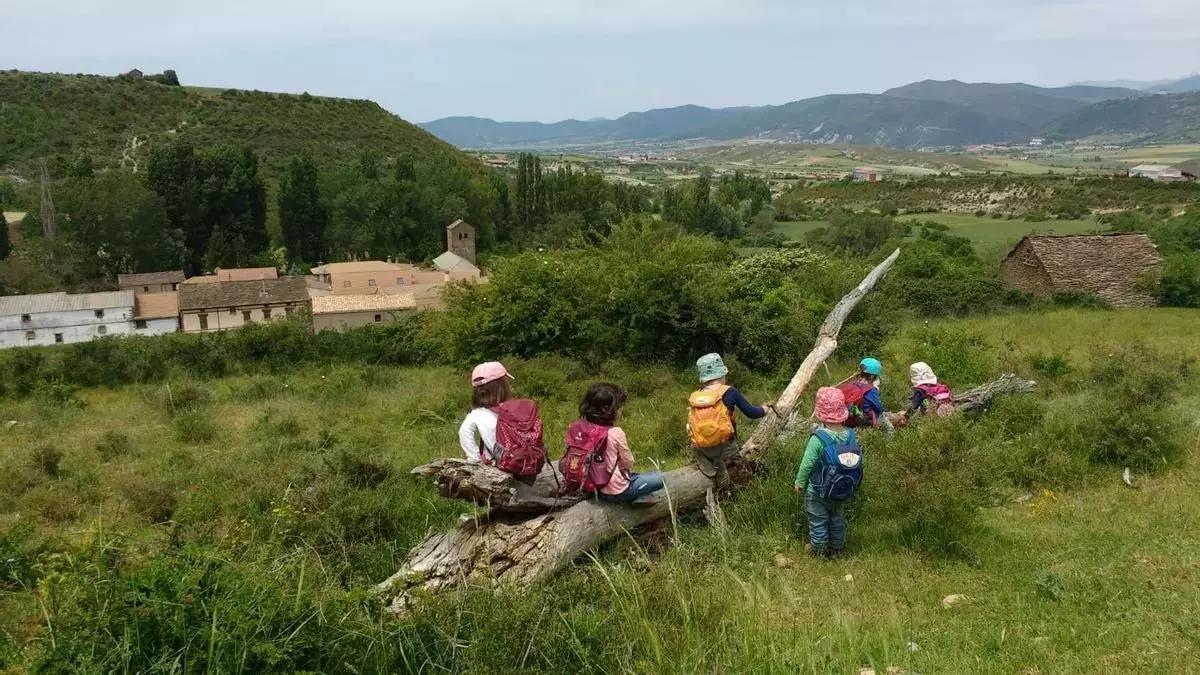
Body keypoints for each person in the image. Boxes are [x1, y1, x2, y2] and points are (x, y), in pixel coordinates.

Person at [688, 353, 775, 488]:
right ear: (722, 374)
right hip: (725, 447)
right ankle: (722, 468)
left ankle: (704, 455)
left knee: (705, 445)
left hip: (702, 444)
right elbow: (752, 413)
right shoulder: (730, 392)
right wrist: (765, 409)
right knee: (741, 469)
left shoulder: (697, 396)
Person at [794, 387, 862, 557]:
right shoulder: (850, 435)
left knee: (818, 520)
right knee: (837, 519)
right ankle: (837, 549)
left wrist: (800, 482)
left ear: (820, 412)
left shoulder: (819, 437)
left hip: (817, 489)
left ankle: (819, 551)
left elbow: (807, 463)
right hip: (841, 488)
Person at [580, 382, 665, 504]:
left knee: (643, 475)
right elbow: (628, 463)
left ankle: (641, 496)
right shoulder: (615, 432)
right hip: (616, 491)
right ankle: (638, 497)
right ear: (610, 410)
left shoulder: (582, 428)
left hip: (593, 487)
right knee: (660, 478)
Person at [457, 361, 512, 464]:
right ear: (502, 387)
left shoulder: (477, 414)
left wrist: (475, 458)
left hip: (499, 464)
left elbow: (464, 432)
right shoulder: (513, 408)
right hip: (525, 460)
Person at [838, 357, 887, 431]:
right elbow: (878, 408)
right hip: (862, 420)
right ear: (872, 376)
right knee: (889, 428)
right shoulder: (871, 390)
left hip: (844, 419)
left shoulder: (851, 384)